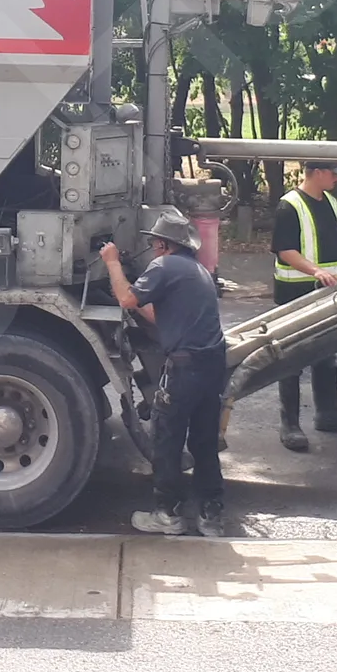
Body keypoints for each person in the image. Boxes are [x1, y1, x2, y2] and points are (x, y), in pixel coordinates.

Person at [96, 206, 227, 538]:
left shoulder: (163, 266)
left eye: (155, 243)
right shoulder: (196, 270)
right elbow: (162, 315)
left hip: (185, 368)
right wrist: (140, 303)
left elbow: (125, 299)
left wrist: (112, 262)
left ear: (163, 244)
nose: (153, 248)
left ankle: (168, 514)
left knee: (167, 438)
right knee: (204, 440)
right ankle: (211, 515)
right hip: (212, 364)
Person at [274, 159, 337, 451]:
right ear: (318, 173)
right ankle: (290, 425)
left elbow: (335, 240)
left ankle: (329, 414)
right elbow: (285, 250)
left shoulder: (331, 203)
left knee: (326, 353)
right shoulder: (289, 205)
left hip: (328, 292)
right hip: (295, 293)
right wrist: (316, 271)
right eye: (334, 174)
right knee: (291, 359)